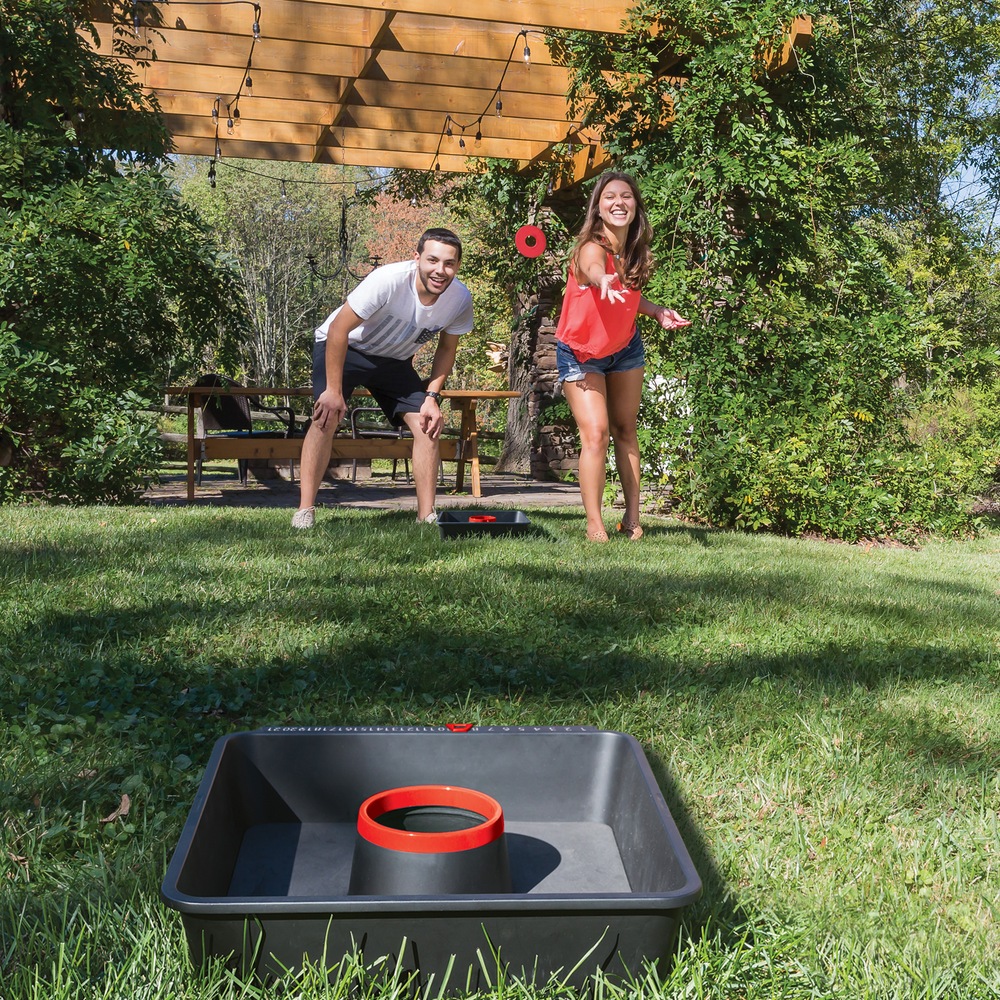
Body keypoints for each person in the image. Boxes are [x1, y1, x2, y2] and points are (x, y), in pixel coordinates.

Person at [292, 228, 474, 528]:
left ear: (457, 266)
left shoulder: (459, 298)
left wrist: (432, 397)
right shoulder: (388, 280)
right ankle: (304, 510)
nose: (440, 270)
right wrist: (333, 391)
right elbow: (339, 329)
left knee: (427, 425)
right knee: (326, 417)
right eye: (432, 260)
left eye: (449, 263)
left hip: (394, 360)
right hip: (345, 347)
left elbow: (446, 348)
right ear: (417, 258)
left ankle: (426, 516)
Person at [555, 171, 690, 542]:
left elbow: (628, 298)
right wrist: (601, 279)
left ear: (635, 206)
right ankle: (595, 524)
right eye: (610, 196)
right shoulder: (591, 247)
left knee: (626, 429)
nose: (619, 202)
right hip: (581, 353)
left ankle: (632, 519)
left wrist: (657, 311)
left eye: (626, 196)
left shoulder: (634, 251)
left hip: (625, 348)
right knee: (596, 434)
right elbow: (593, 267)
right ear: (598, 207)